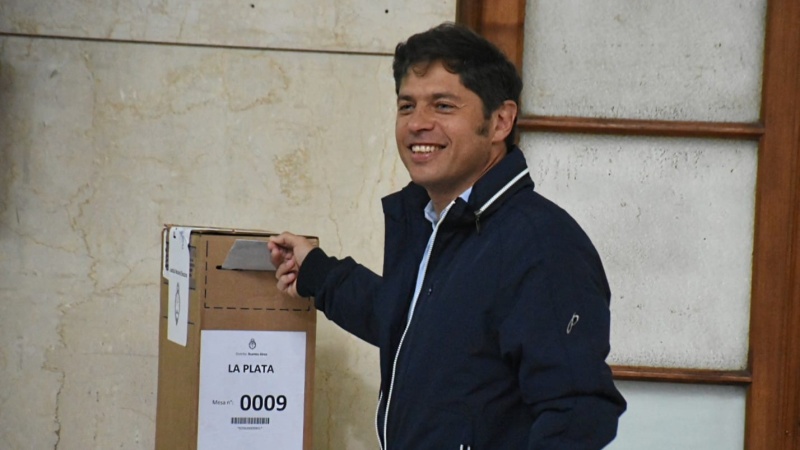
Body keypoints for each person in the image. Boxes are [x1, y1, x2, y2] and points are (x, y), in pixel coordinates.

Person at [268, 22, 626, 449]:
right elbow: (409, 325)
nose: (418, 123)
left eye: (442, 106)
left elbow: (580, 412)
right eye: (406, 106)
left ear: (500, 121)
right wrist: (317, 273)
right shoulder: (433, 223)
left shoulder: (540, 243)